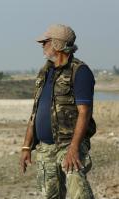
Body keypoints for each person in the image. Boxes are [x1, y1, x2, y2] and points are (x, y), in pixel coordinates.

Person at [20, 24, 96, 199]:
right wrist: (26, 146)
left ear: (57, 44)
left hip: (69, 146)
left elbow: (84, 112)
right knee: (50, 195)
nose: (42, 45)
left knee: (80, 195)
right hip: (45, 148)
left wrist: (74, 148)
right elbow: (35, 111)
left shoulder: (80, 71)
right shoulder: (45, 72)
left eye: (45, 42)